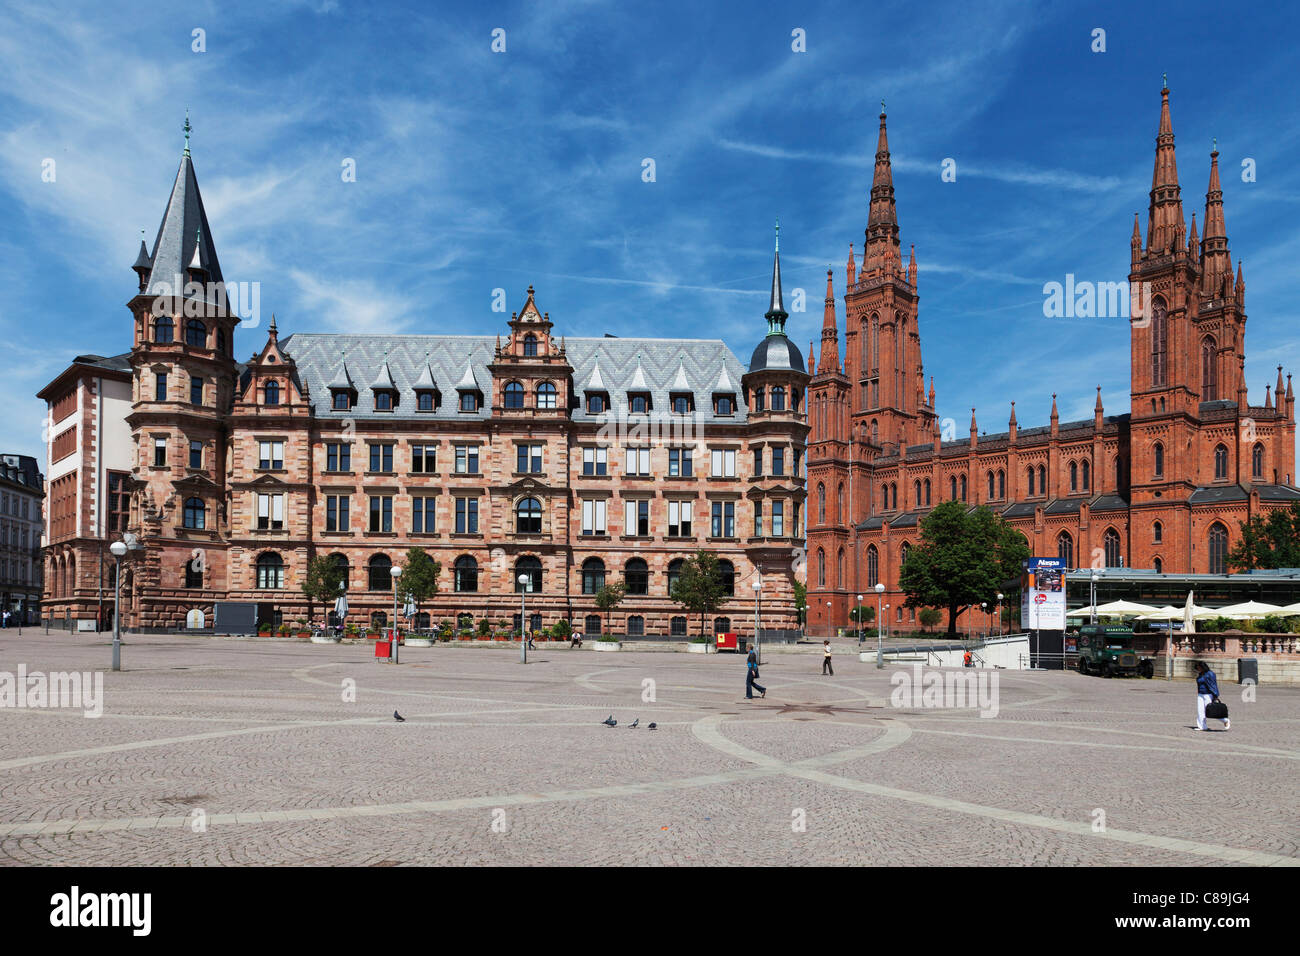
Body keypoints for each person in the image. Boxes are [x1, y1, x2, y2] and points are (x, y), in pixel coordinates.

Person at [1193, 661, 1229, 732]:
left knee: (1211, 711)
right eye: (1197, 668)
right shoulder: (1200, 674)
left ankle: (1225, 720)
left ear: (1203, 667)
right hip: (1200, 694)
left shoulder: (1210, 674)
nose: (1198, 669)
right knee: (1200, 711)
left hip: (1208, 694)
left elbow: (1213, 685)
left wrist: (1215, 695)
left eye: (1199, 668)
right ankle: (1202, 726)